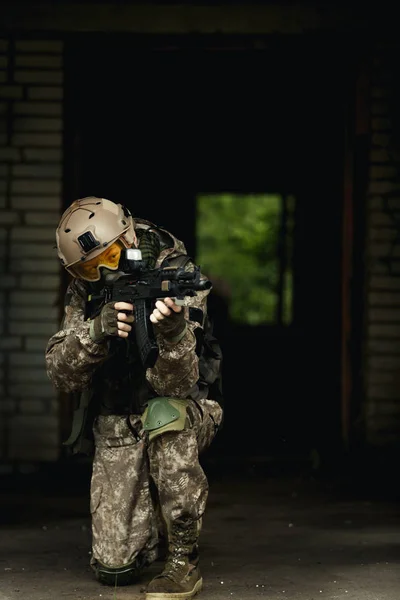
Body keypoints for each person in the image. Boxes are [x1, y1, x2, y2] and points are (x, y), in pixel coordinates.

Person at [45, 196, 223, 600]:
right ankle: (146, 536)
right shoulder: (84, 293)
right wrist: (94, 333)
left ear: (129, 238)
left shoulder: (176, 274)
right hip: (119, 420)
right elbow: (61, 374)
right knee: (114, 569)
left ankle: (183, 561)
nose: (106, 271)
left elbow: (179, 387)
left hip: (187, 413)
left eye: (111, 256)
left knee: (165, 414)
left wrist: (174, 333)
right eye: (91, 267)